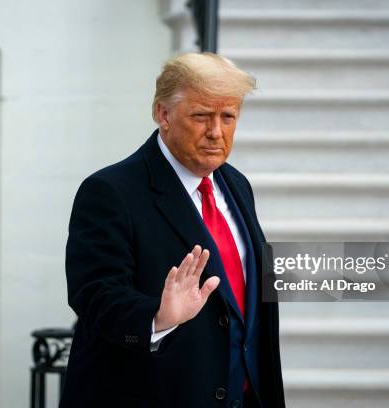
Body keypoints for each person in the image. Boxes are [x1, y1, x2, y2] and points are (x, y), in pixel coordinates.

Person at [60, 52, 285, 408]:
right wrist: (158, 317)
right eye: (201, 116)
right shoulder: (110, 190)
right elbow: (95, 295)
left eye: (228, 117)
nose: (216, 131)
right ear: (163, 114)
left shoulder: (237, 184)